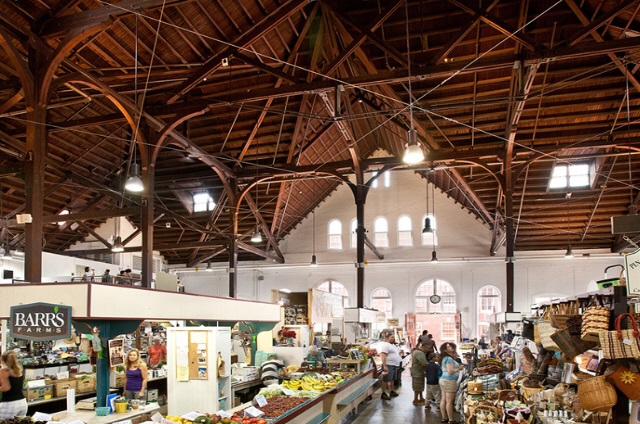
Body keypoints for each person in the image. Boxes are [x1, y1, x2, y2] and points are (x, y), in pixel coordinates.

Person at [439, 342, 464, 424]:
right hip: (449, 381)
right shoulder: (449, 359)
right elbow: (450, 371)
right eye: (448, 347)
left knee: (443, 400)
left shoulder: (444, 358)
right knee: (449, 401)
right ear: (445, 350)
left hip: (443, 379)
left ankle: (444, 418)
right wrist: (459, 368)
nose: (450, 347)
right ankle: (451, 420)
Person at [0, 351, 27, 419]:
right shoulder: (19, 370)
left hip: (9, 404)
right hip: (22, 403)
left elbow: (6, 388)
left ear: (2, 359)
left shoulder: (3, 371)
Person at [379, 331, 402, 400]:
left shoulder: (392, 345)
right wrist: (385, 366)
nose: (393, 338)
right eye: (392, 337)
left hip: (394, 365)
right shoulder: (386, 345)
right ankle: (383, 393)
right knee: (386, 380)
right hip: (389, 365)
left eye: (394, 337)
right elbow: (383, 355)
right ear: (387, 338)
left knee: (392, 379)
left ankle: (391, 391)